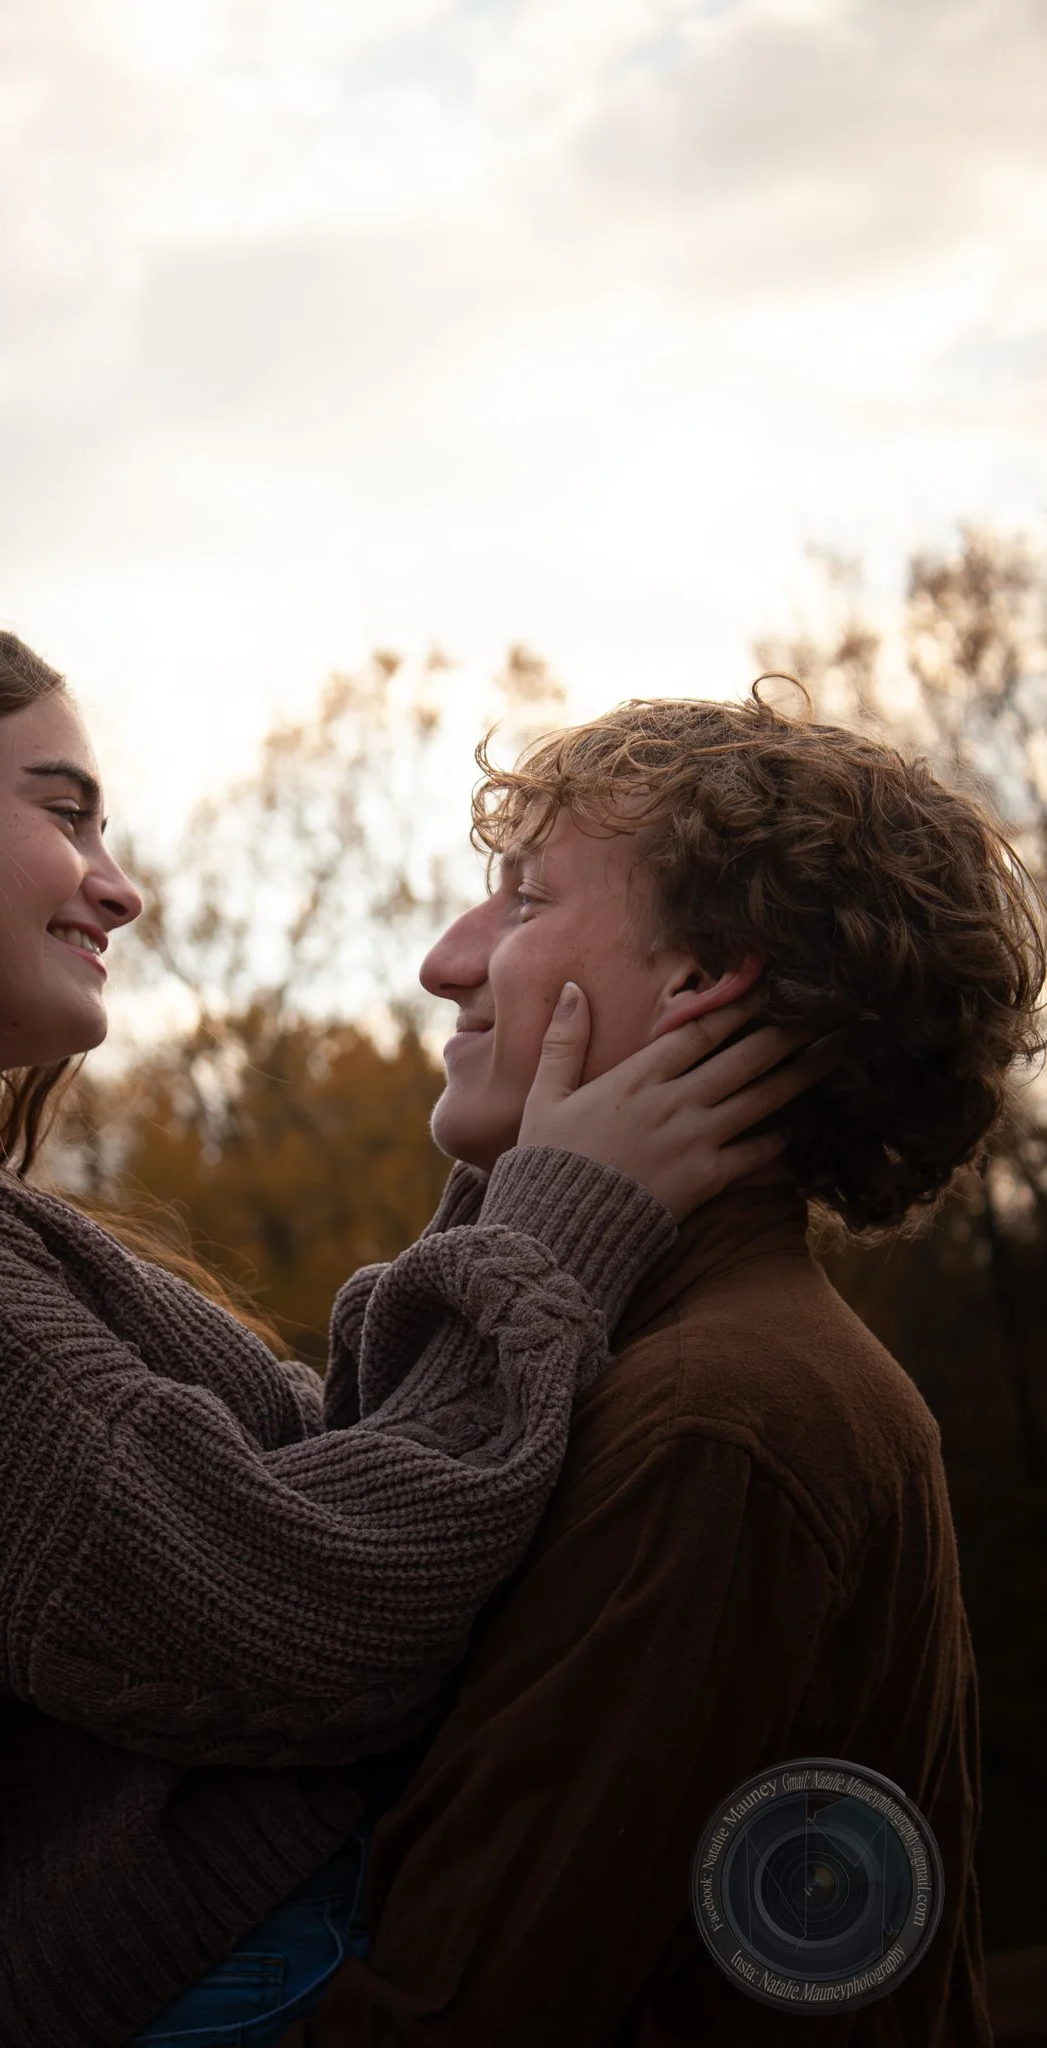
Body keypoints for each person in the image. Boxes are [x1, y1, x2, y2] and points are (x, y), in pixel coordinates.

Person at [0, 615, 824, 2048]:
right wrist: (557, 1218)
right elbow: (304, 1606)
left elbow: (345, 1467)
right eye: (63, 813)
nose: (121, 889)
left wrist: (525, 1171)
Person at [275, 691, 1047, 2048]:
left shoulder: (722, 1421)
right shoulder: (663, 1364)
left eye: (522, 907)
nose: (443, 964)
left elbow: (452, 2012)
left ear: (700, 980)